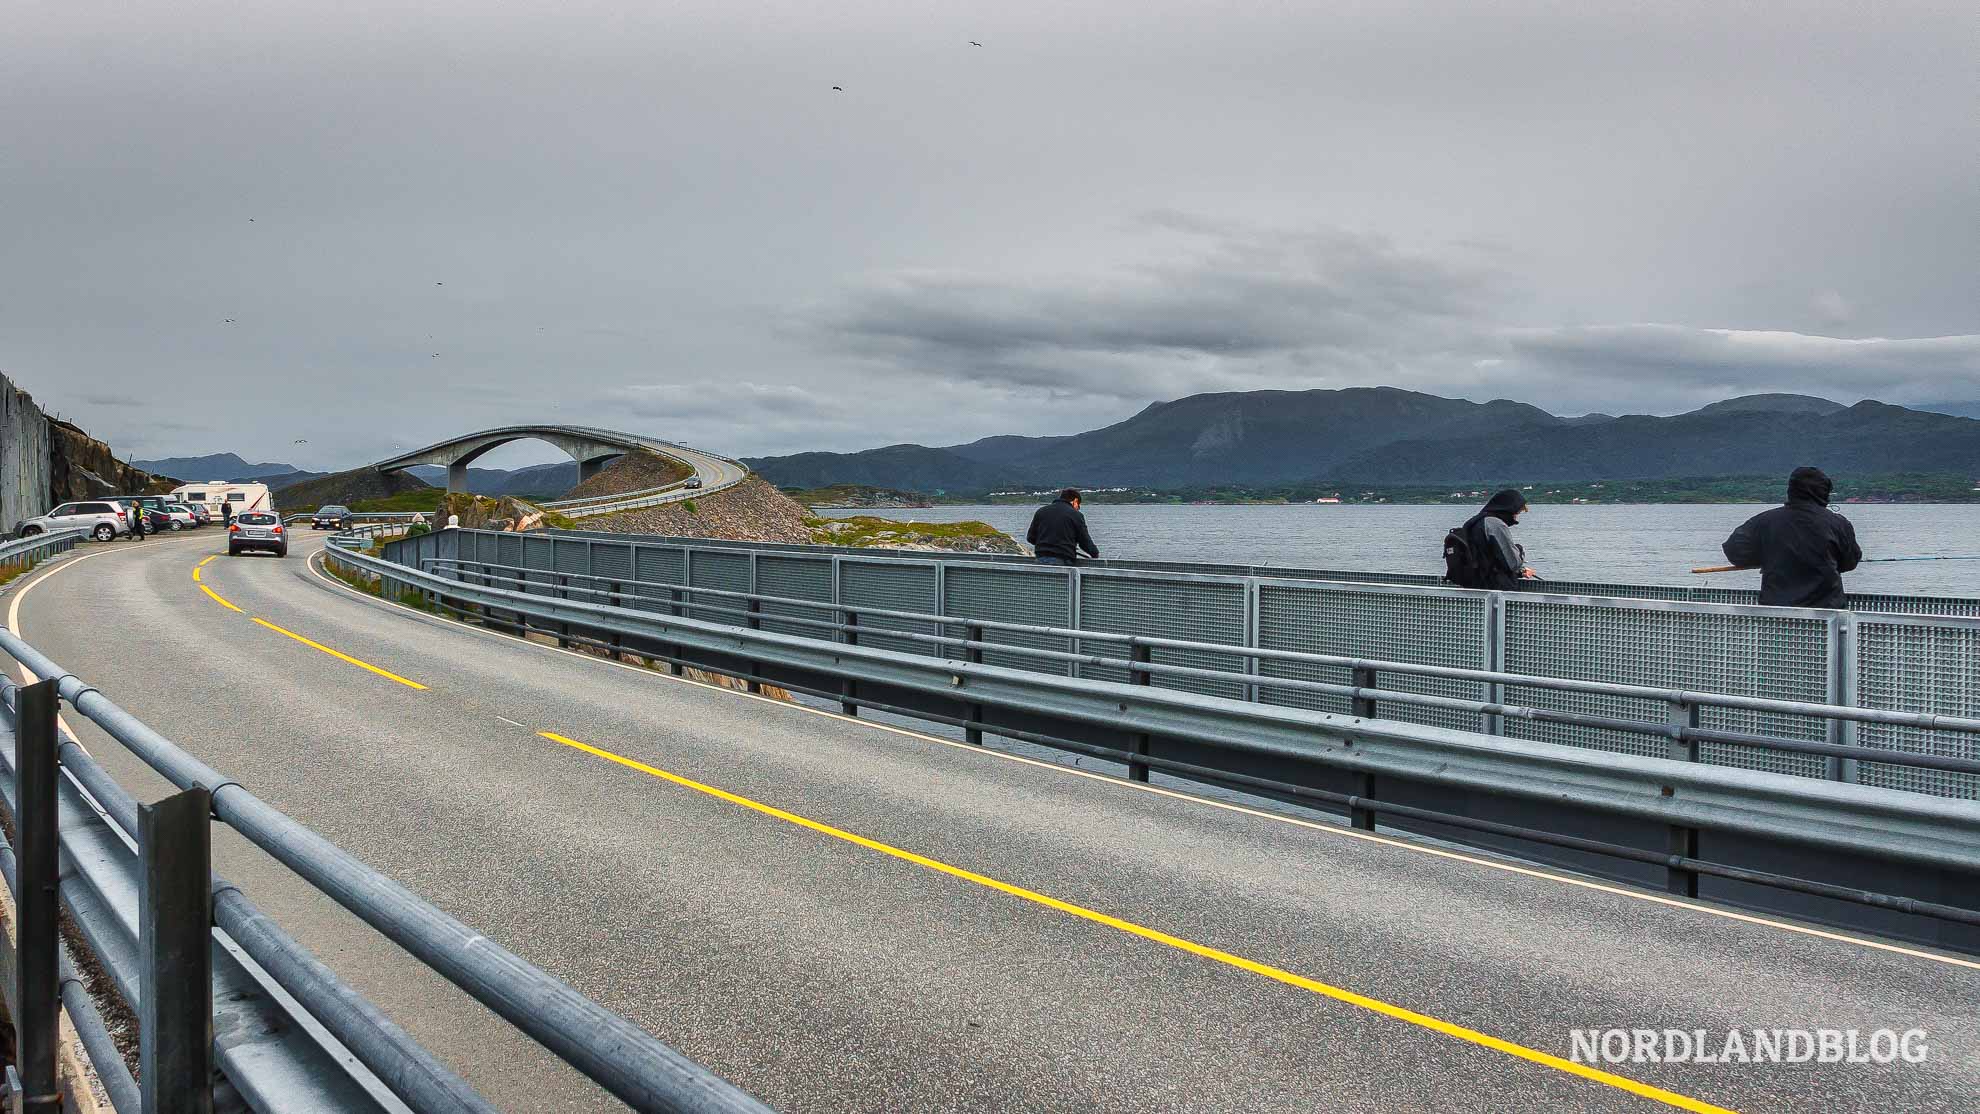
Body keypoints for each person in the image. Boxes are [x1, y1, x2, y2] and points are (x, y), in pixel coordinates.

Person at [1721, 466, 1861, 608]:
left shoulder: (1765, 521)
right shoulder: (1838, 524)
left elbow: (1734, 551)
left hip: (1776, 613)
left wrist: (1765, 557)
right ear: (1823, 493)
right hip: (1827, 612)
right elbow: (1850, 562)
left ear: (1791, 490)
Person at [1456, 489, 1537, 589]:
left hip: (1475, 586)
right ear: (1509, 509)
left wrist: (1521, 572)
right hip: (1495, 590)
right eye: (1517, 512)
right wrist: (1519, 550)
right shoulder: (1496, 524)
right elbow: (1513, 563)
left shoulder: (1475, 522)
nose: (1516, 516)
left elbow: (1487, 559)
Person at [1026, 488, 1099, 566]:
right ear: (1075, 501)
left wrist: (1046, 543)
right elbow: (1084, 541)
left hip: (1040, 559)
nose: (1078, 508)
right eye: (1078, 505)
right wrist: (1095, 553)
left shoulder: (1041, 511)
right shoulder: (1076, 515)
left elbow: (1030, 537)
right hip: (1063, 560)